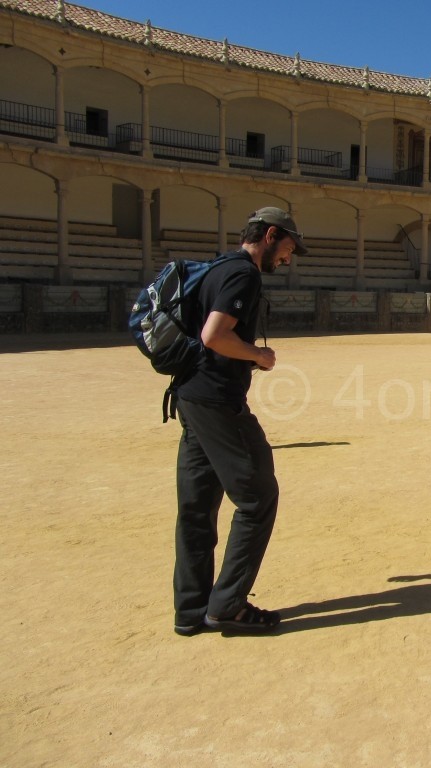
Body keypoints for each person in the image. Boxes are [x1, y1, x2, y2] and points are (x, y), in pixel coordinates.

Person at [172, 206, 308, 635]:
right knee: (258, 496)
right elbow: (215, 336)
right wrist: (259, 356)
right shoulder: (244, 275)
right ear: (270, 235)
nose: (288, 258)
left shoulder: (217, 267)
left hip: (190, 396)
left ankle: (191, 610)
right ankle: (227, 605)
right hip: (217, 401)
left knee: (197, 507)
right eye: (287, 248)